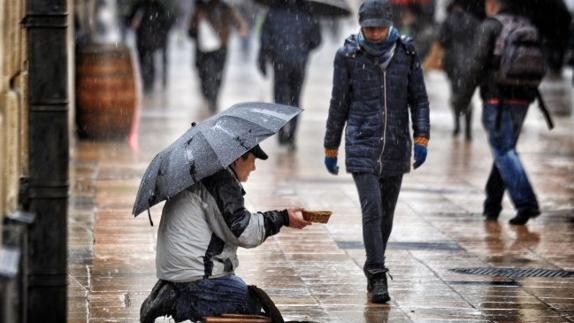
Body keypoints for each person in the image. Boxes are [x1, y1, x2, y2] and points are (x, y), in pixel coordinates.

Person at [323, 0, 430, 304]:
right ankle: (377, 272)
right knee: (372, 209)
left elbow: (419, 99)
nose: (374, 34)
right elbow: (338, 102)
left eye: (379, 28)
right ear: (361, 26)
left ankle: (375, 262)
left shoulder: (406, 53)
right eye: (369, 28)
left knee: (386, 214)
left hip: (396, 145)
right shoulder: (347, 56)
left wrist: (422, 136)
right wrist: (332, 145)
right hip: (361, 142)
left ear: (389, 25)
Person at [140, 145, 312, 322]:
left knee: (242, 291)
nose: (254, 167)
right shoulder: (220, 181)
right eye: (252, 160)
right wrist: (283, 218)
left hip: (180, 270)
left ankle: (176, 292)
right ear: (238, 159)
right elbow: (244, 232)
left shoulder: (201, 175)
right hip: (196, 276)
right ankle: (180, 302)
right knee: (250, 303)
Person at [451, 0, 542, 225]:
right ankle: (492, 204)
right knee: (505, 150)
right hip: (524, 96)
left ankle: (526, 203)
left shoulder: (491, 25)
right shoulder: (526, 25)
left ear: (492, 4)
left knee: (503, 150)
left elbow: (475, 65)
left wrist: (461, 100)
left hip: (497, 97)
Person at [258, 1, 322, 151]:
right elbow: (317, 40)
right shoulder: (308, 12)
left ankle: (281, 130)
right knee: (296, 98)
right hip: (299, 63)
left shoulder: (273, 10)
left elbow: (265, 38)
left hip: (279, 61)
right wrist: (303, 49)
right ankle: (292, 135)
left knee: (280, 97)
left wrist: (266, 55)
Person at [188, 0, 247, 113]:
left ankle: (213, 98)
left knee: (217, 74)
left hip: (221, 45)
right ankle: (210, 97)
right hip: (204, 48)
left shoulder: (224, 7)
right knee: (206, 74)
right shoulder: (200, 7)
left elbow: (236, 19)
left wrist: (241, 27)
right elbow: (191, 30)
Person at [438, 0, 481, 140]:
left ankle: (457, 126)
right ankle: (468, 130)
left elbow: (442, 41)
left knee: (455, 93)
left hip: (453, 64)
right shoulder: (474, 21)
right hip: (470, 63)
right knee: (467, 95)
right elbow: (479, 41)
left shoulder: (447, 21)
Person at [128, 0, 173, 93]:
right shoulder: (140, 7)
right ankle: (148, 83)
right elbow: (130, 21)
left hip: (150, 40)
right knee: (145, 62)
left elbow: (166, 22)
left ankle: (148, 84)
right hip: (144, 39)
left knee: (148, 62)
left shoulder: (155, 7)